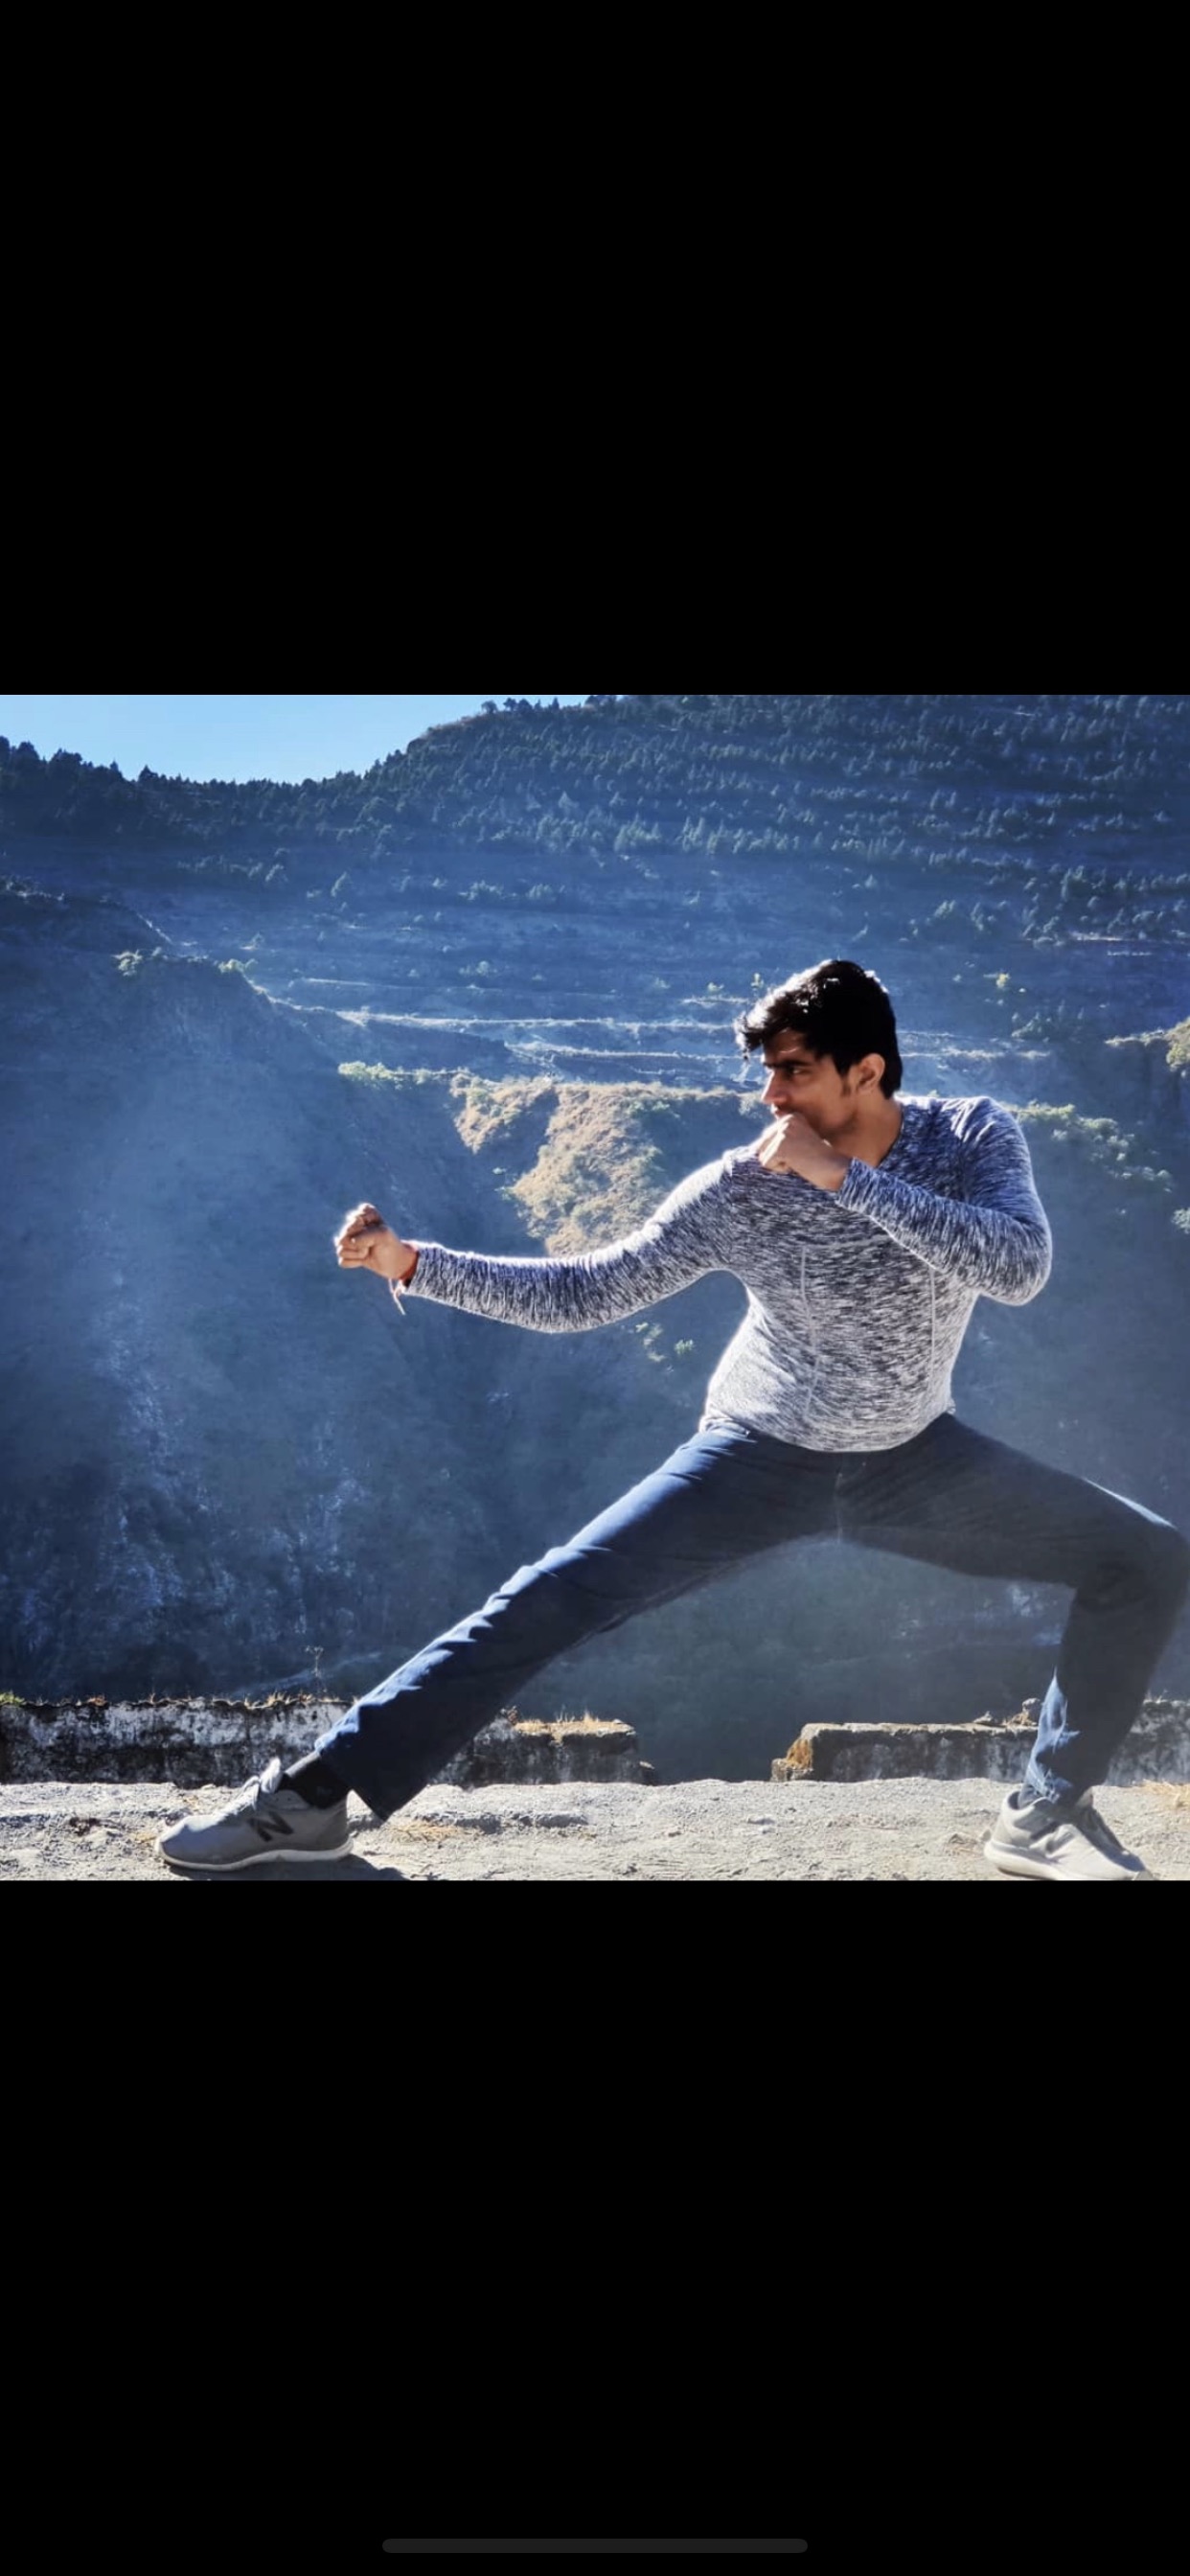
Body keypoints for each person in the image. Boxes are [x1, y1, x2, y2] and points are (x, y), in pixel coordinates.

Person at [157, 957, 1190, 1882]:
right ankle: (312, 1800)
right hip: (758, 1454)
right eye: (768, 1073)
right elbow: (587, 1290)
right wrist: (414, 1263)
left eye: (792, 1072)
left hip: (911, 1456)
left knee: (1143, 1558)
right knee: (549, 1598)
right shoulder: (744, 1189)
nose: (770, 1096)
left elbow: (1017, 1267)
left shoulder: (970, 1137)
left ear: (866, 1071)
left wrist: (845, 1180)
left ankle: (1046, 1814)